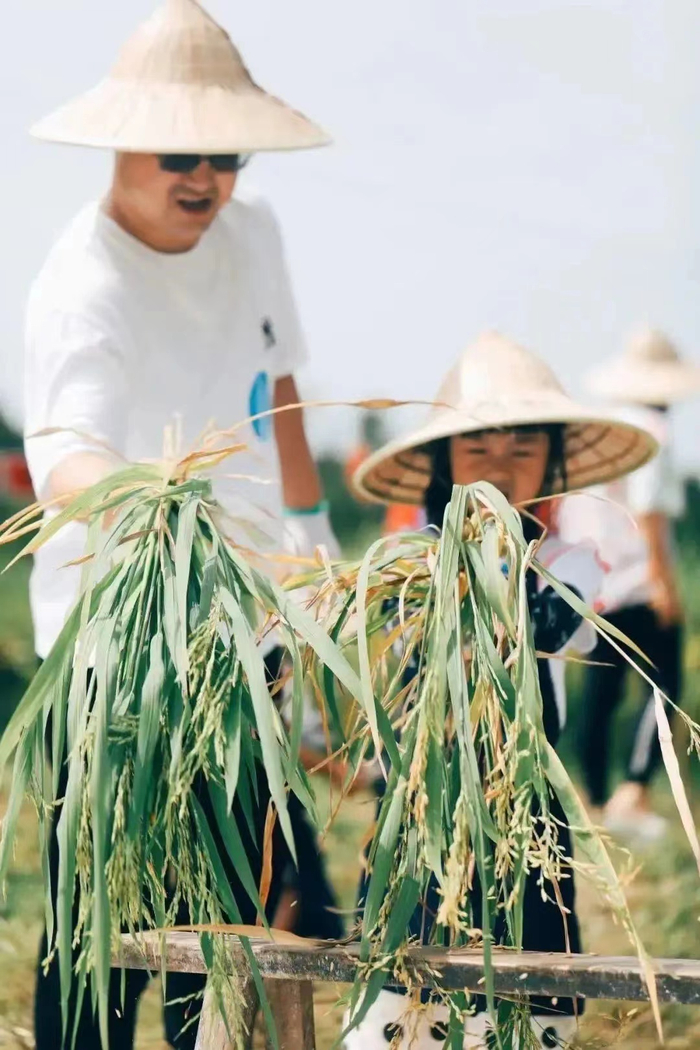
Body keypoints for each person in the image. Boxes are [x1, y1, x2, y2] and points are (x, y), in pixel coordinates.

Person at [23, 1, 340, 1047]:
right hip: (123, 646)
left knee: (222, 928)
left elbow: (280, 382)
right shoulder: (82, 282)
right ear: (123, 143)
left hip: (246, 639)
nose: (203, 180)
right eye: (178, 156)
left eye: (225, 155)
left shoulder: (254, 236)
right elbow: (65, 455)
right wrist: (167, 524)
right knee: (103, 932)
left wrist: (308, 532)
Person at [345, 332, 657, 1050]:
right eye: (478, 449)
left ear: (551, 461)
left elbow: (547, 628)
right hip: (421, 802)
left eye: (523, 449)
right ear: (442, 461)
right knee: (404, 994)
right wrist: (445, 557)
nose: (500, 467)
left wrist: (494, 553)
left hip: (524, 809)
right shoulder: (403, 563)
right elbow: (394, 638)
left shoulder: (567, 566)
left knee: (523, 991)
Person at [557, 327, 700, 841]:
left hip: (595, 583)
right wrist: (666, 583)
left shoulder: (602, 433)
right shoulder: (653, 434)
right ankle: (633, 790)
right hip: (639, 581)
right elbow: (650, 511)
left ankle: (593, 802)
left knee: (600, 690)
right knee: (665, 689)